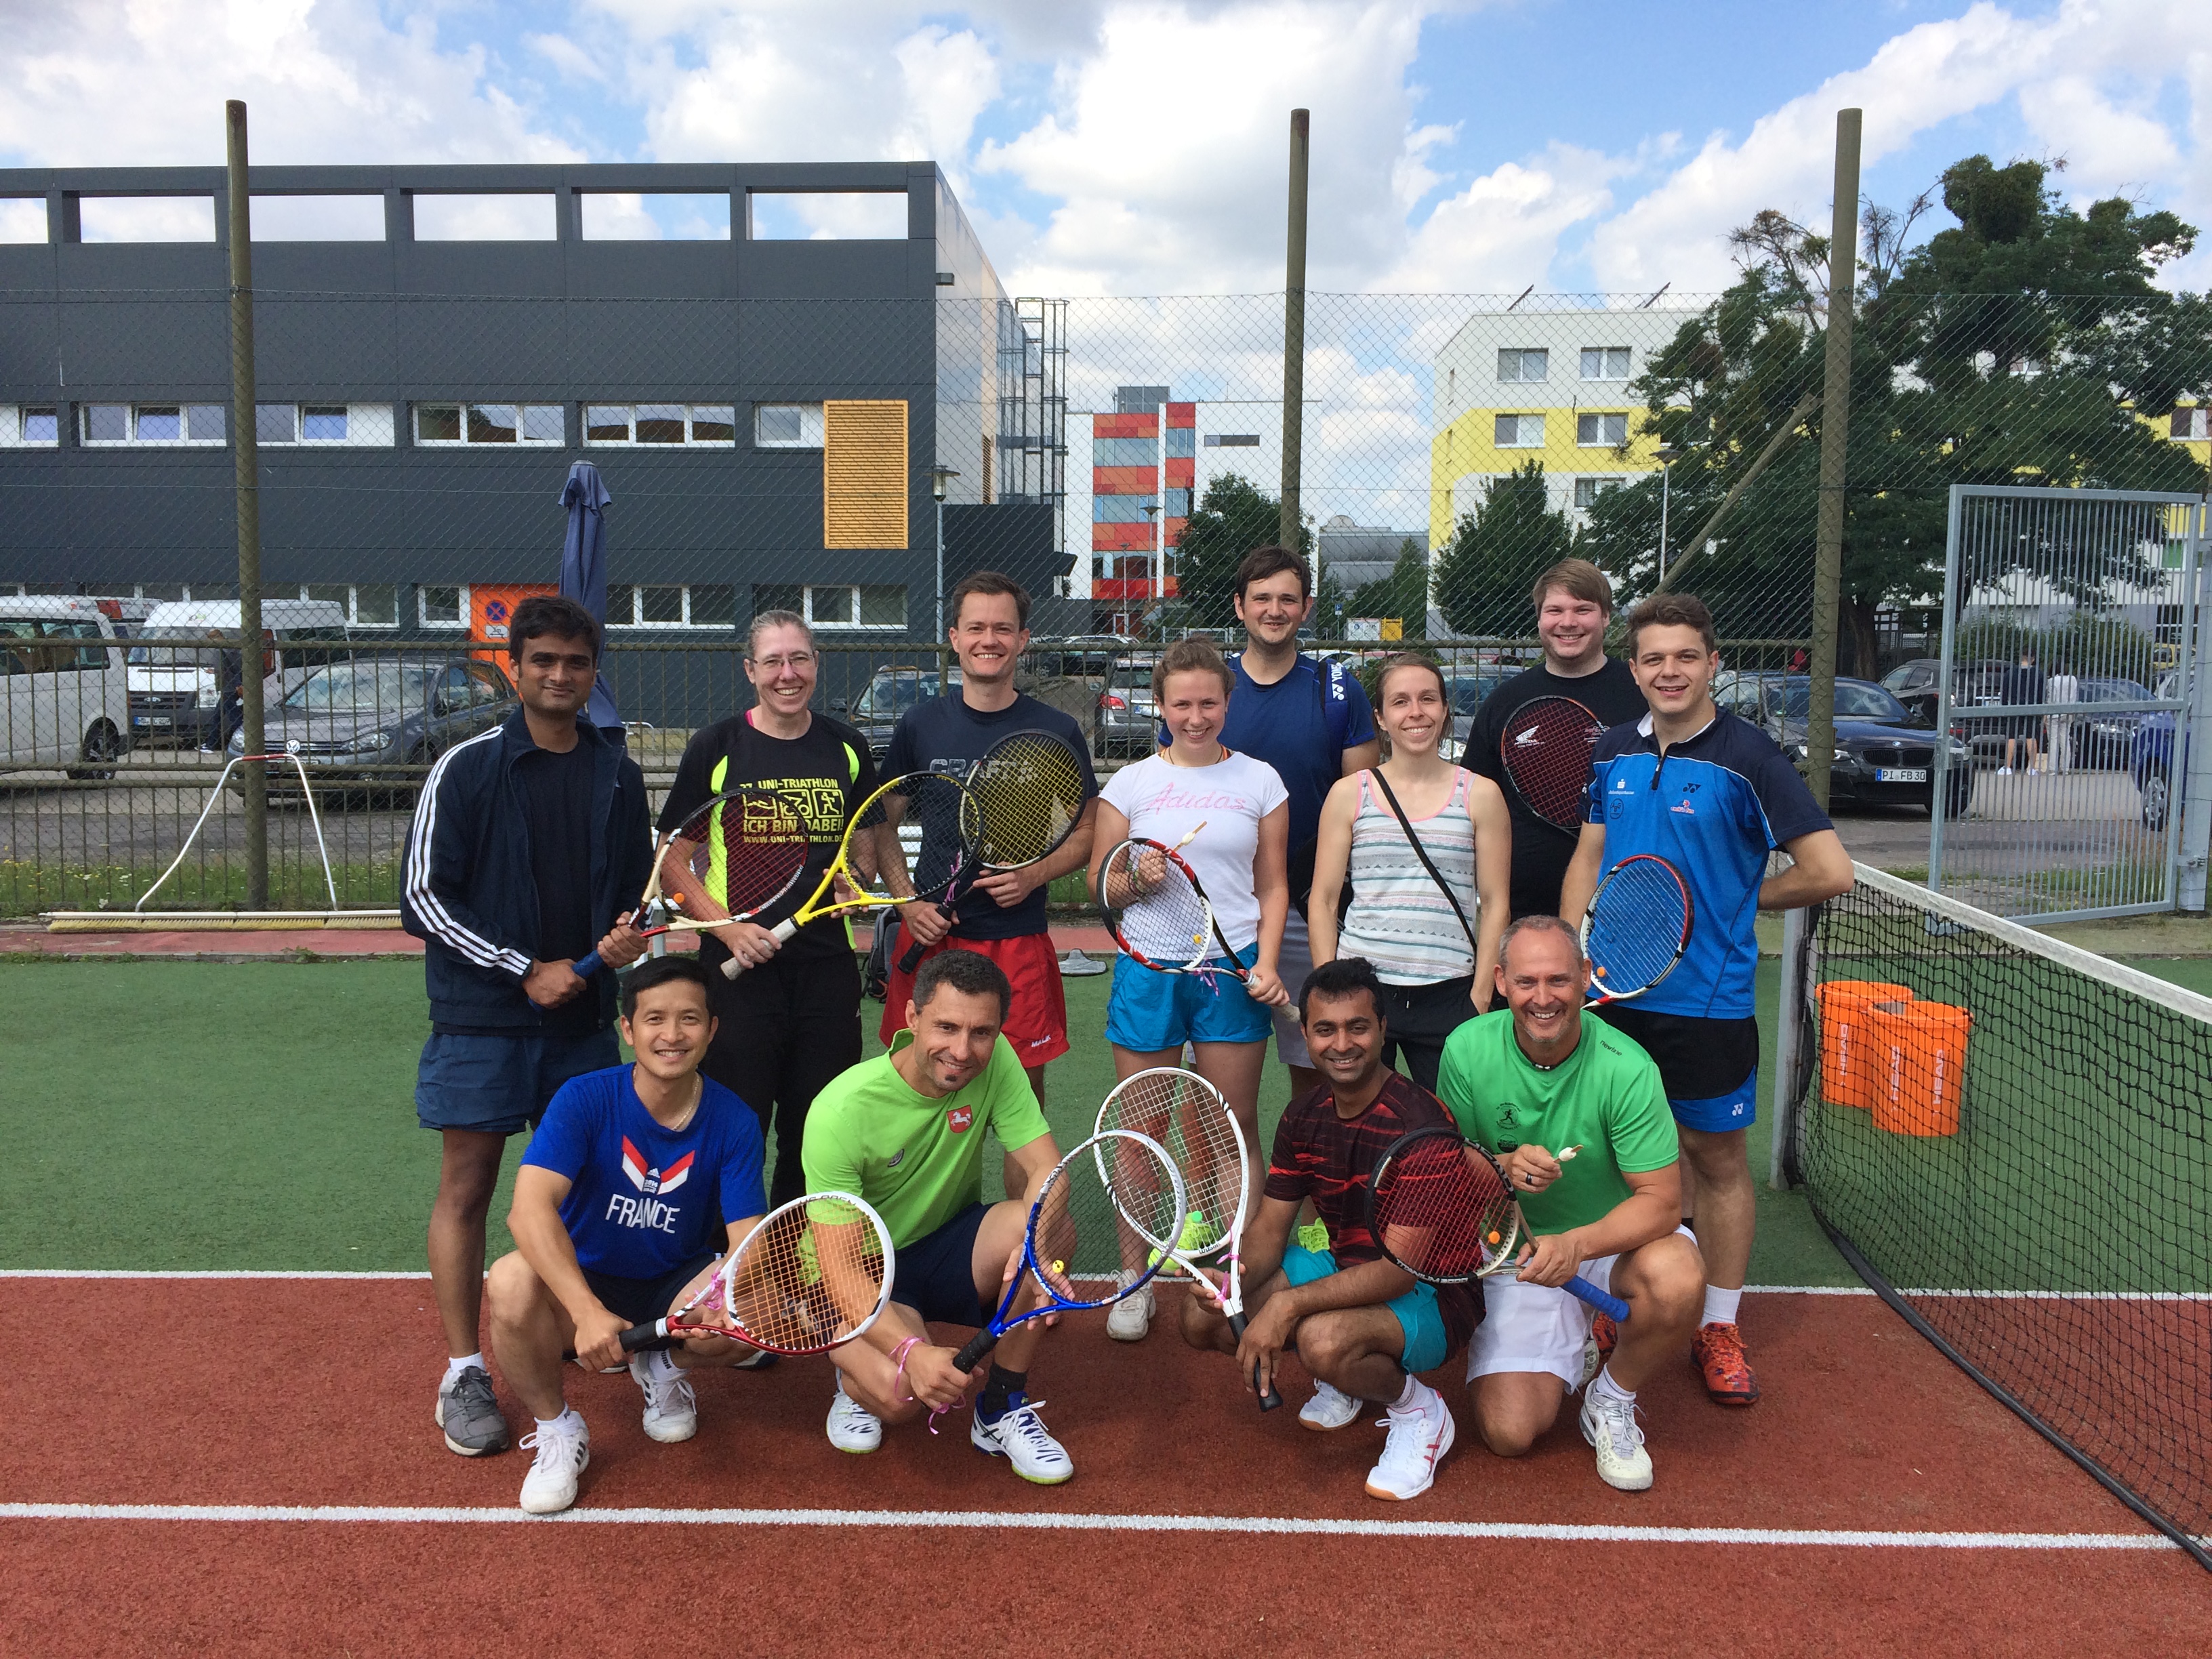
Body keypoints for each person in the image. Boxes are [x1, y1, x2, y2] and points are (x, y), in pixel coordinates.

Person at [1561, 593, 1853, 1406]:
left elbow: (1830, 871)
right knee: (1625, 1159)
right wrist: (1577, 948)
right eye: (1654, 658)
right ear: (1634, 668)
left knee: (1716, 1162)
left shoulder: (1751, 757)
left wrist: (1741, 902)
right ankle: (1631, 1301)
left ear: (1713, 662)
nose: (1669, 671)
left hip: (1710, 1004)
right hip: (1613, 994)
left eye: (1685, 656)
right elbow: (1590, 854)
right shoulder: (1613, 749)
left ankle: (1717, 1323)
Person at [403, 593, 653, 1458]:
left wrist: (623, 940)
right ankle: (465, 1368)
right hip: (481, 1019)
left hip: (580, 1022)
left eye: (575, 663)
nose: (558, 675)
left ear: (593, 674)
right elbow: (424, 898)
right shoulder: (465, 767)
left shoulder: (617, 773)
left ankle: (572, 1327)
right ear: (515, 667)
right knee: (470, 1186)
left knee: (583, 1191)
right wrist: (523, 968)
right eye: (541, 660)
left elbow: (633, 892)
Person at [1180, 957, 1479, 1501]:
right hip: (1343, 1265)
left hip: (1435, 1293)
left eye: (1357, 1027)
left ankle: (1419, 1409)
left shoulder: (1424, 1127)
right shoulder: (1303, 1115)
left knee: (1321, 1340)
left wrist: (1287, 1307)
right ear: (1307, 1035)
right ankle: (1347, 1377)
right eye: (1325, 1029)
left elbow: (1396, 1273)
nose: (1342, 1044)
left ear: (1383, 1030)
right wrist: (1231, 1278)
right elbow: (1271, 1229)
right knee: (1203, 1322)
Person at [486, 957, 769, 1514]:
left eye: (689, 1019)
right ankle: (557, 1429)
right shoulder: (585, 1098)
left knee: (754, 1311)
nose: (671, 1035)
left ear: (711, 1029)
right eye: (655, 1019)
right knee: (509, 1280)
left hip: (672, 1283)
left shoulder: (735, 1118)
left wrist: (722, 1297)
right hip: (585, 1282)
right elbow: (528, 1211)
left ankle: (664, 1366)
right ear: (628, 1029)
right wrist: (586, 1309)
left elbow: (747, 1236)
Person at [1437, 917, 1706, 1492]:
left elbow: (1661, 1203)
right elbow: (1449, 1162)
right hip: (1520, 1252)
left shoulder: (1627, 1066)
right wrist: (1502, 1170)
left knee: (1678, 1276)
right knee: (1509, 1432)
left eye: (1559, 980)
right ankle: (1575, 1339)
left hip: (1610, 1246)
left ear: (1586, 978)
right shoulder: (1465, 1049)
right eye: (1527, 981)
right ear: (1501, 981)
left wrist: (1577, 1245)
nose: (1543, 998)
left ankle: (1611, 1397)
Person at [801, 949, 1076, 1484]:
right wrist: (910, 1353)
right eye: (946, 1027)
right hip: (864, 1270)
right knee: (904, 1395)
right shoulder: (842, 1110)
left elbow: (1048, 1165)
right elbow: (837, 1271)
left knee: (1045, 1223)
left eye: (981, 1032)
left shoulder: (996, 1062)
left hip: (946, 1244)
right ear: (911, 1018)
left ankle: (999, 1407)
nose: (962, 1050)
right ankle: (850, 1367)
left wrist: (1038, 1241)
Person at [1094, 636, 1291, 1338]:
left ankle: (1235, 1269)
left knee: (1230, 1125)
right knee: (1140, 1125)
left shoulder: (1261, 781)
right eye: (1183, 703)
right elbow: (1103, 882)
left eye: (1209, 702)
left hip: (1229, 969)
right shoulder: (1132, 784)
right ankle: (1133, 1278)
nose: (1197, 715)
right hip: (1148, 969)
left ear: (1228, 703)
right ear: (1161, 704)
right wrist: (1132, 879)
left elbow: (1272, 883)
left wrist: (1266, 960)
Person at [656, 609, 880, 1208]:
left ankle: (792, 1264)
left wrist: (854, 883)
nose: (788, 674)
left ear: (816, 665)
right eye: (774, 661)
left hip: (826, 972)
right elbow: (672, 862)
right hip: (738, 975)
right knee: (736, 1129)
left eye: (799, 659)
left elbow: (863, 850)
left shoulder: (846, 747)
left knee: (816, 1131)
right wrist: (729, 931)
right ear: (751, 670)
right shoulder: (718, 746)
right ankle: (724, 1270)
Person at [879, 571, 1100, 1120]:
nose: (989, 640)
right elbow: (880, 824)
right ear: (954, 637)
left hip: (1016, 938)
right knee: (916, 1096)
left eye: (1003, 628)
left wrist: (1033, 875)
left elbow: (1090, 830)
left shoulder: (1055, 730)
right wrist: (908, 902)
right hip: (933, 937)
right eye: (975, 627)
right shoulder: (920, 724)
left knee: (1020, 1101)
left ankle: (1026, 1209)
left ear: (1023, 639)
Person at [1172, 546, 1378, 1104]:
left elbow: (1360, 803)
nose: (1274, 609)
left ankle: (1307, 1193)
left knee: (1317, 1071)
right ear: (1239, 607)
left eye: (1288, 598)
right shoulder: (1209, 693)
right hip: (1222, 914)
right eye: (1261, 598)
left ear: (1306, 607)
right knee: (1204, 1088)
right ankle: (1210, 1194)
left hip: (1309, 907)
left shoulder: (1336, 691)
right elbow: (1178, 790)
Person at [1309, 653, 1511, 1092]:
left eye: (1428, 699)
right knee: (1361, 1128)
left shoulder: (1481, 795)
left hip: (1450, 989)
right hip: (1363, 987)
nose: (1415, 712)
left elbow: (1496, 902)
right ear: (1380, 716)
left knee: (1448, 1134)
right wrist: (1330, 989)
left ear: (1443, 709)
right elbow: (1323, 900)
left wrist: (1479, 995)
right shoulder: (1350, 794)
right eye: (1400, 702)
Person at [1465, 559, 1648, 920]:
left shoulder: (1643, 697)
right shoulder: (1504, 703)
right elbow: (1472, 804)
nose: (1568, 622)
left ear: (1607, 617)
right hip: (1523, 909)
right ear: (1539, 618)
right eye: (1555, 610)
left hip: (1626, 904)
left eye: (1583, 610)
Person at [1998, 648, 2046, 775]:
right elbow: (2042, 694)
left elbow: (2004, 692)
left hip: (2014, 707)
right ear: (2033, 659)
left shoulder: (2011, 673)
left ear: (2021, 657)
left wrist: (2004, 707)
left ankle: (2007, 767)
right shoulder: (2039, 674)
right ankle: (2031, 768)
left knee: (2012, 737)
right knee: (2031, 737)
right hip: (2032, 708)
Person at [2044, 661, 2080, 774]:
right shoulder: (2073, 680)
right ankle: (2065, 768)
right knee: (2065, 740)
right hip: (2069, 712)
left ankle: (2052, 768)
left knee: (2053, 741)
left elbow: (2050, 698)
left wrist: (2046, 713)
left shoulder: (2052, 681)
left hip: (2054, 713)